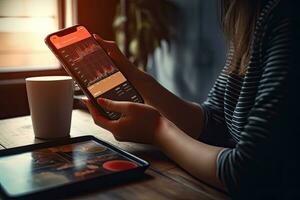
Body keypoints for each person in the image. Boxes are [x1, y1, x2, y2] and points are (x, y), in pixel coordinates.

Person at [82, 0, 300, 199]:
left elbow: (248, 173)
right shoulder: (248, 13)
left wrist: (158, 130)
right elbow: (215, 121)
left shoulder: (287, 15)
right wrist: (137, 78)